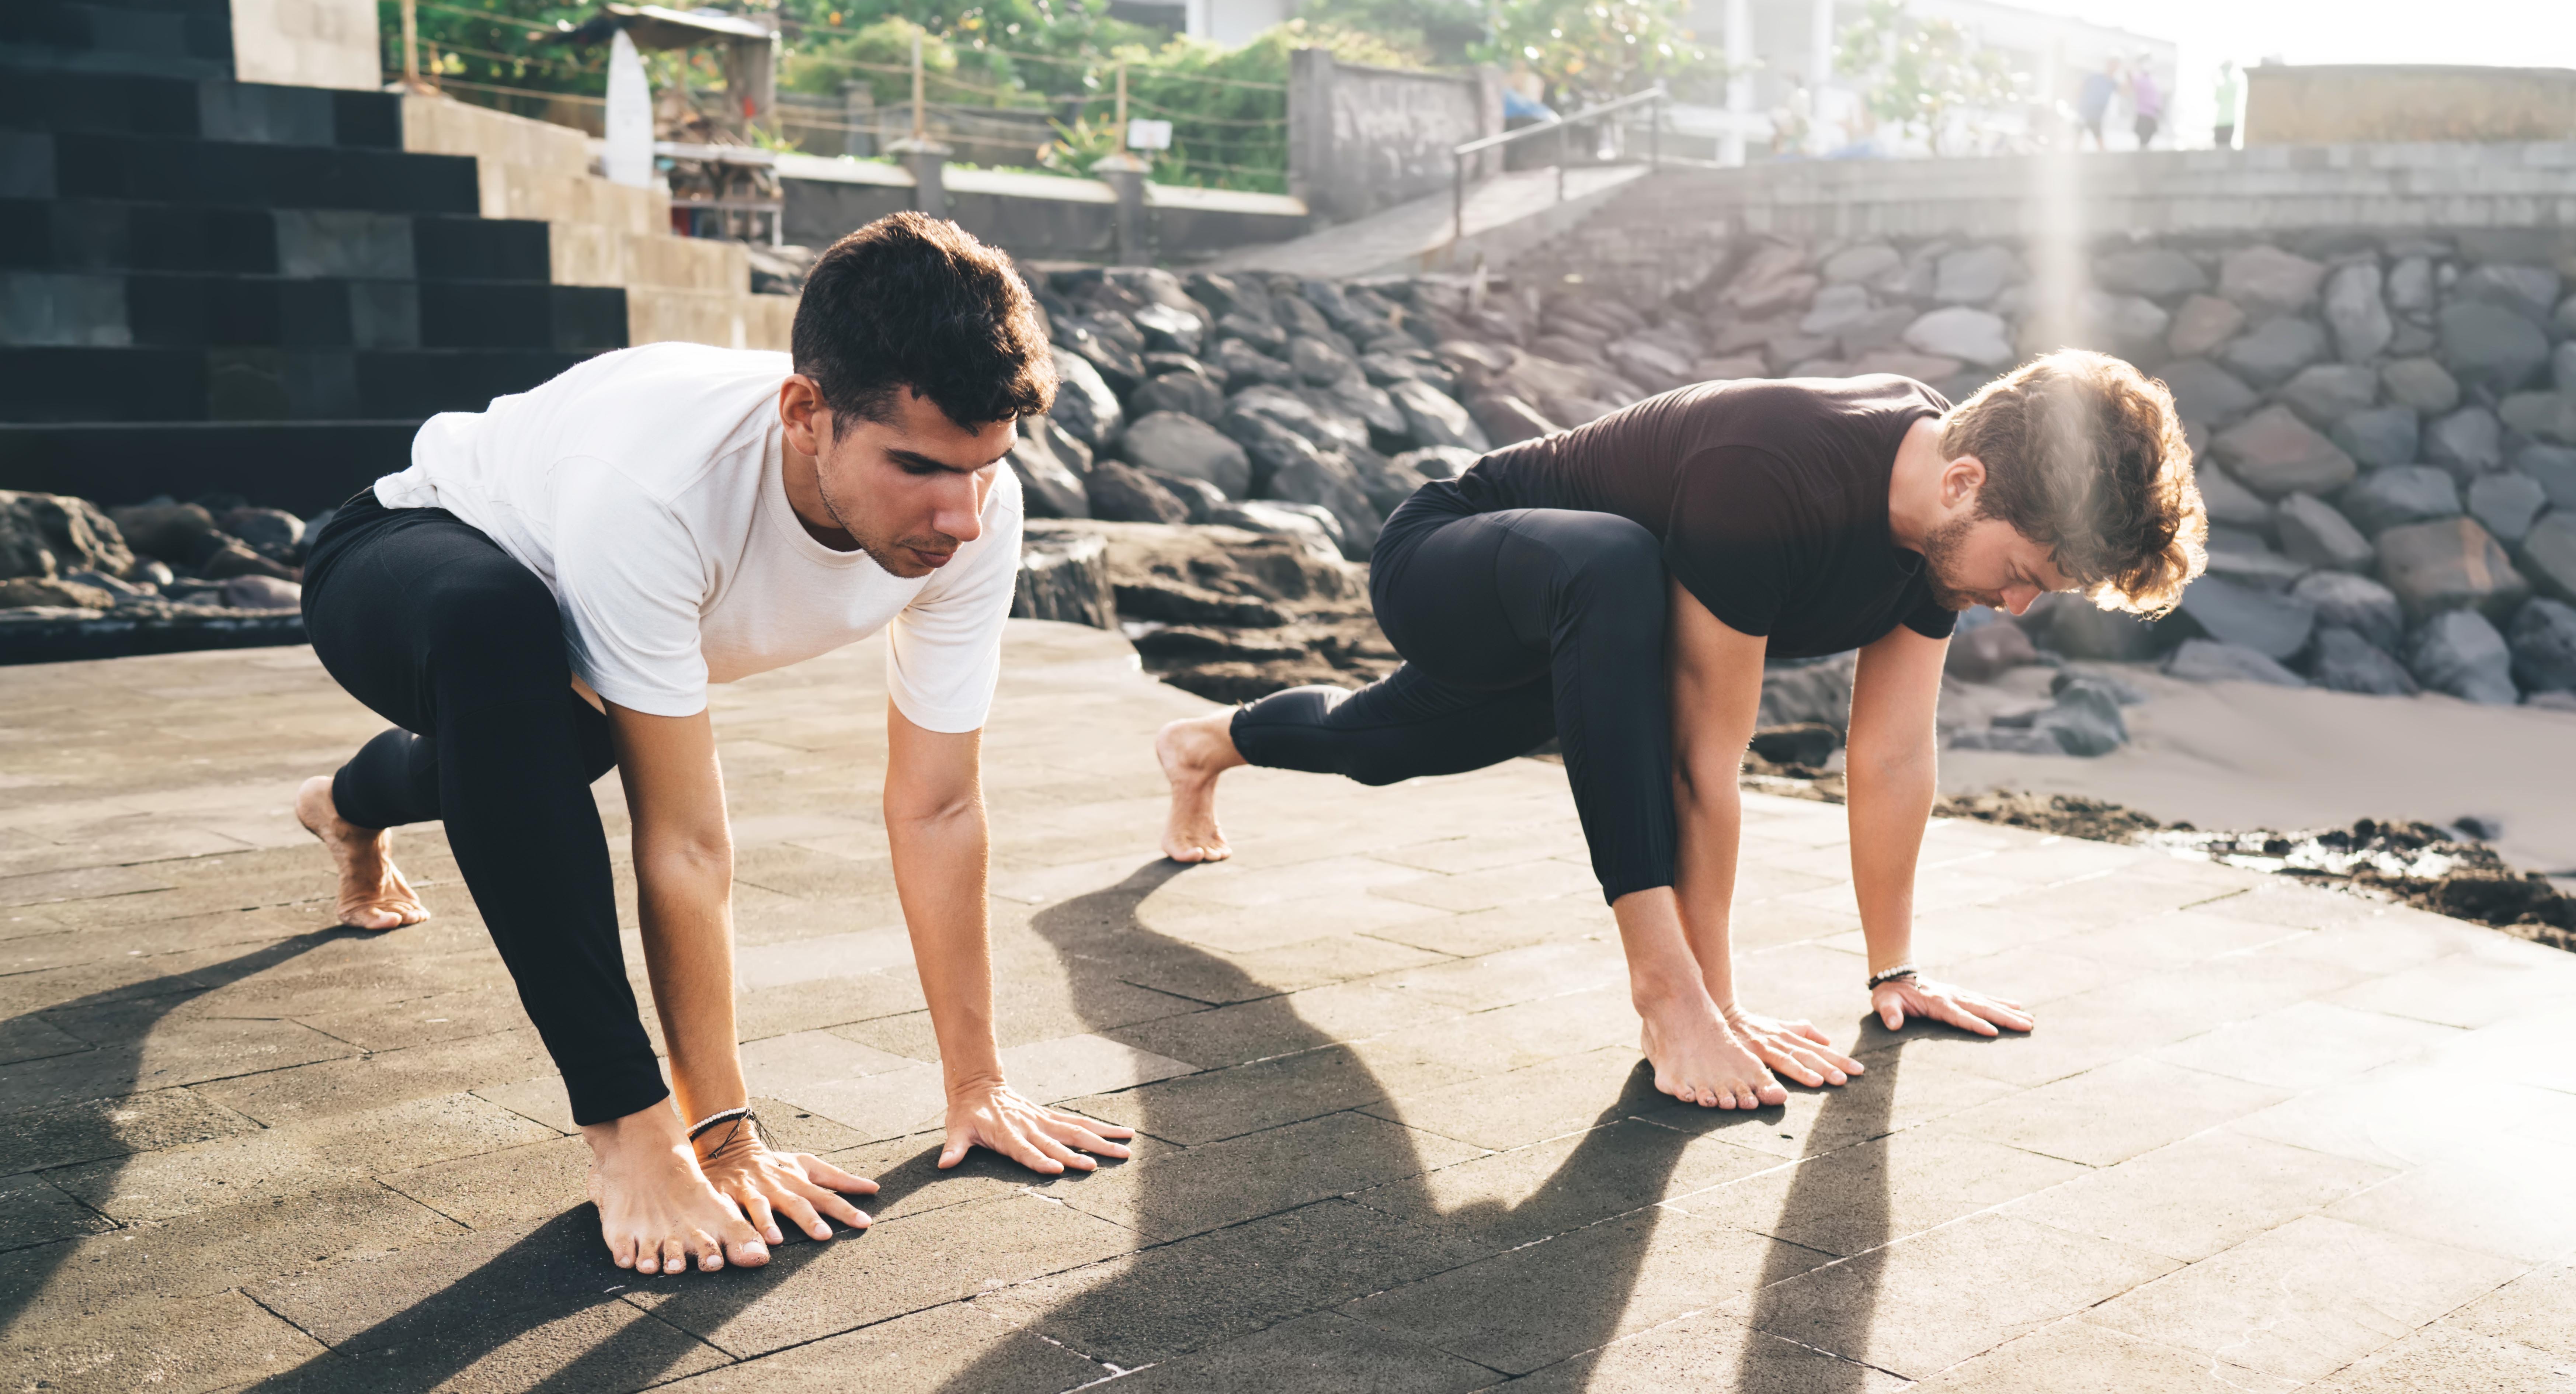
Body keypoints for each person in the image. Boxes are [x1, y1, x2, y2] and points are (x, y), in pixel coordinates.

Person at [292, 213, 1133, 1277]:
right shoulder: (662, 483)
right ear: (804, 413)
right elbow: (686, 842)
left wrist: (978, 1085)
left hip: (549, 678)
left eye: (984, 469)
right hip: (408, 557)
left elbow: (938, 805)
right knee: (498, 652)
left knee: (548, 746)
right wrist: (716, 1134)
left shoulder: (974, 506)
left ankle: (346, 805)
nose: (959, 516)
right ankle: (624, 1137)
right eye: (917, 466)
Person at [1155, 353, 2207, 1111]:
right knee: (1613, 564)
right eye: (2021, 576)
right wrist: (1706, 1004)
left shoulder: (1940, 525)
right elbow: (1702, 763)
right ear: (1964, 485)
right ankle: (1660, 991)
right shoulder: (1775, 471)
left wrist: (1894, 972)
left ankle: (1208, 745)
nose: (2016, 607)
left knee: (1379, 744)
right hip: (1452, 564)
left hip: (1589, 643)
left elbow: (1889, 755)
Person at [2076, 60, 2118, 150]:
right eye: (2112, 65)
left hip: (2097, 116)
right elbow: (2081, 86)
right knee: (2079, 138)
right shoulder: (2096, 77)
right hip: (2085, 112)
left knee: (2100, 142)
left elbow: (2124, 91)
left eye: (2116, 66)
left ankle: (2104, 161)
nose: (2114, 68)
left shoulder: (2113, 82)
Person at [2130, 60, 2164, 150]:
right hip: (2145, 115)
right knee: (2144, 141)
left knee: (2145, 141)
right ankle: (2142, 156)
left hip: (2150, 115)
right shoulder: (2142, 80)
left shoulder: (2152, 81)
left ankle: (2143, 155)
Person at [2213, 59, 2241, 149]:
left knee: (2225, 146)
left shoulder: (2233, 85)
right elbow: (2217, 98)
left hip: (2228, 121)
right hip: (2220, 121)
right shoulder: (2222, 86)